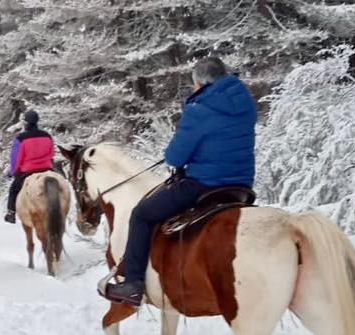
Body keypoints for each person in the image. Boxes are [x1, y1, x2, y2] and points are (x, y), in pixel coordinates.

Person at [104, 58, 256, 306]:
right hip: (241, 186)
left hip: (204, 185)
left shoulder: (199, 108)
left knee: (141, 214)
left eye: (194, 83)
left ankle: (132, 284)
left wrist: (174, 154)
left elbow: (175, 157)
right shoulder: (244, 103)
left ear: (199, 82)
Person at [5, 109, 56, 223]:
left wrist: (13, 172)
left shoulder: (20, 138)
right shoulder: (47, 136)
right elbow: (52, 153)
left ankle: (11, 213)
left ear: (25, 122)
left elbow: (16, 159)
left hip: (28, 170)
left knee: (13, 189)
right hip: (47, 168)